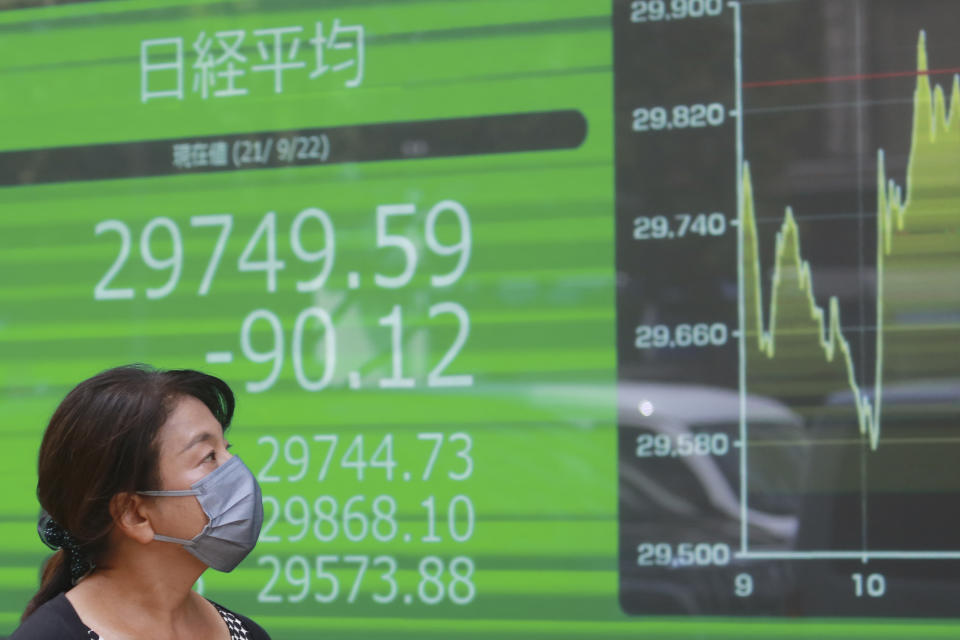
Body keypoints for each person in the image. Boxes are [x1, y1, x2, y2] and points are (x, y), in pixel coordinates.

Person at [10, 364, 270, 639]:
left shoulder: (245, 634)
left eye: (226, 449)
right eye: (208, 456)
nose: (236, 470)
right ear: (134, 514)